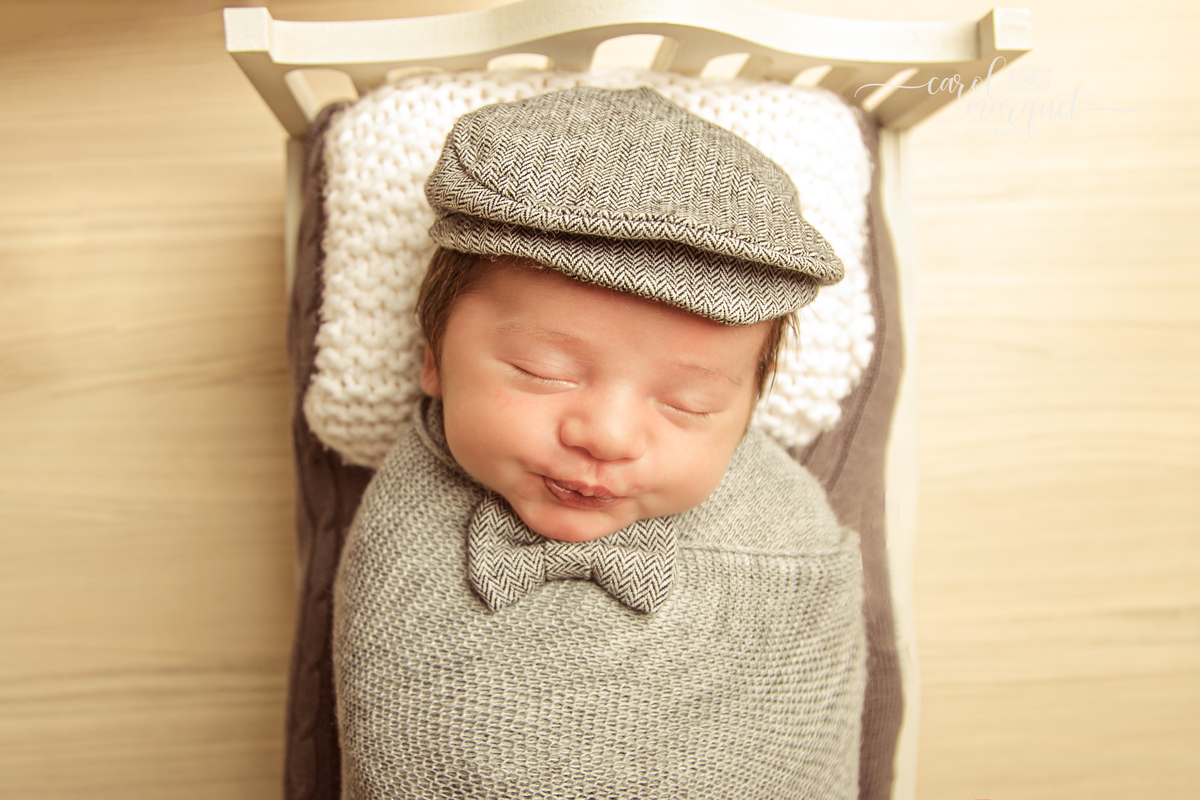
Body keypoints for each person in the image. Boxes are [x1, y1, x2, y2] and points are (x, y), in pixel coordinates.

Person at [332, 86, 866, 799]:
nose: (608, 438)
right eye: (542, 373)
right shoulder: (404, 537)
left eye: (689, 403)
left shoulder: (783, 533)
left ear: (746, 411)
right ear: (432, 356)